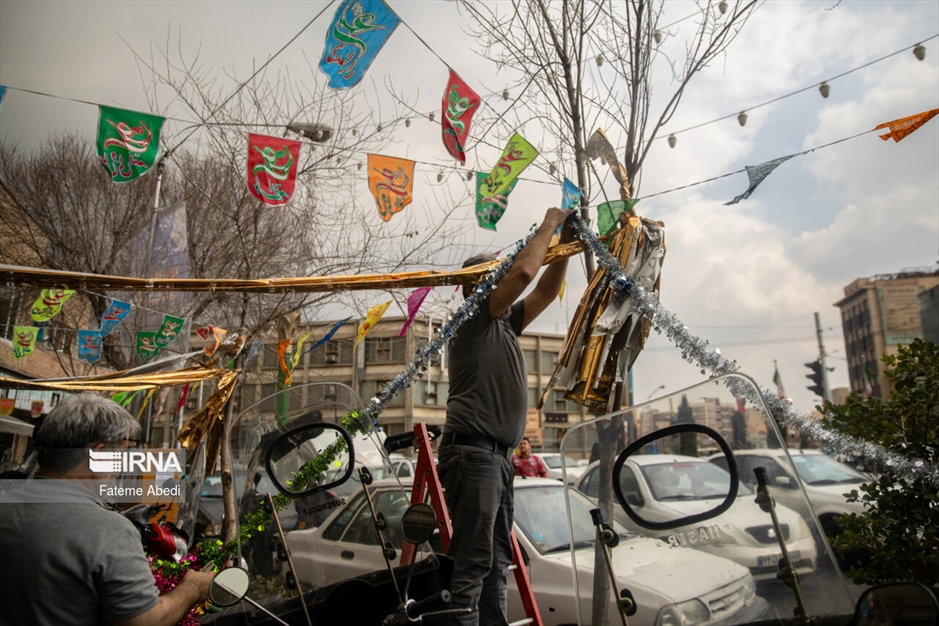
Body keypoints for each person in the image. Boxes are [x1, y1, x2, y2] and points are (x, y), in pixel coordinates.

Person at [437, 207, 574, 626]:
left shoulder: (504, 323)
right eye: (493, 273)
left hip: (495, 459)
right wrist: (549, 224)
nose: (502, 276)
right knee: (473, 568)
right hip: (475, 456)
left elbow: (546, 291)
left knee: (495, 564)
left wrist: (564, 244)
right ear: (477, 286)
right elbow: (522, 277)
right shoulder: (473, 318)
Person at [0, 393, 215, 626]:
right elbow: (144, 621)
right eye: (121, 455)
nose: (121, 468)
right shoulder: (108, 531)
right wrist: (192, 589)